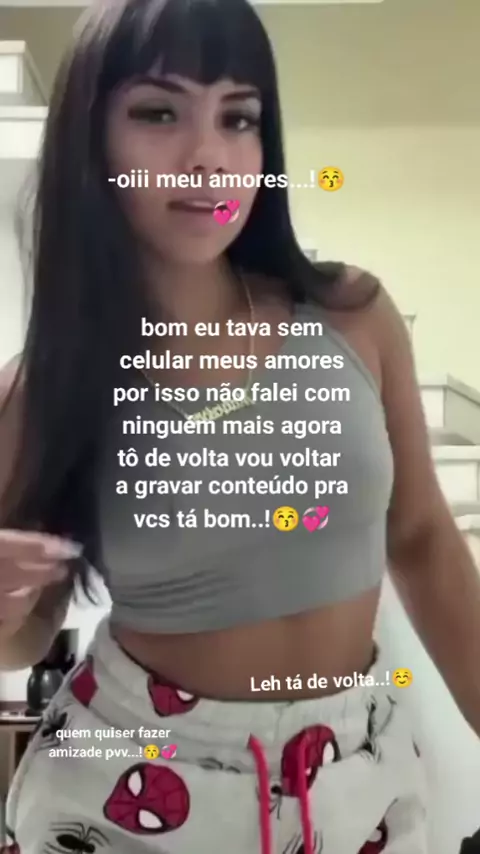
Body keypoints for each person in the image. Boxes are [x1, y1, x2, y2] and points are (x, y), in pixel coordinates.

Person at [0, 0, 479, 852]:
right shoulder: (44, 387)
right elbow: (26, 631)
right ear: (90, 142)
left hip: (357, 774)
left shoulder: (353, 316)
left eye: (239, 117)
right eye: (159, 112)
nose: (209, 155)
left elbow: (421, 539)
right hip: (132, 784)